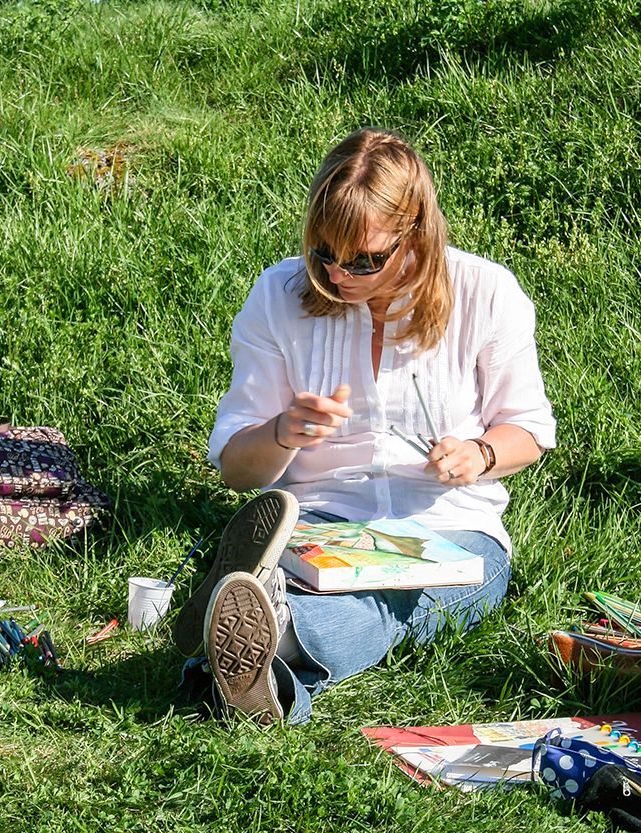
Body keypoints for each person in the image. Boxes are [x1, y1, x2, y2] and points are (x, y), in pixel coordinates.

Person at [174, 127, 556, 724]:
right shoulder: (279, 294)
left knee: (401, 599)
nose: (339, 275)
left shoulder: (486, 292)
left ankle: (265, 640)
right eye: (323, 253)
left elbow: (527, 429)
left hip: (450, 527)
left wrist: (479, 455)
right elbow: (235, 469)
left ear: (417, 236)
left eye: (365, 260)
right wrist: (281, 431)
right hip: (320, 517)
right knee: (351, 590)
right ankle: (263, 653)